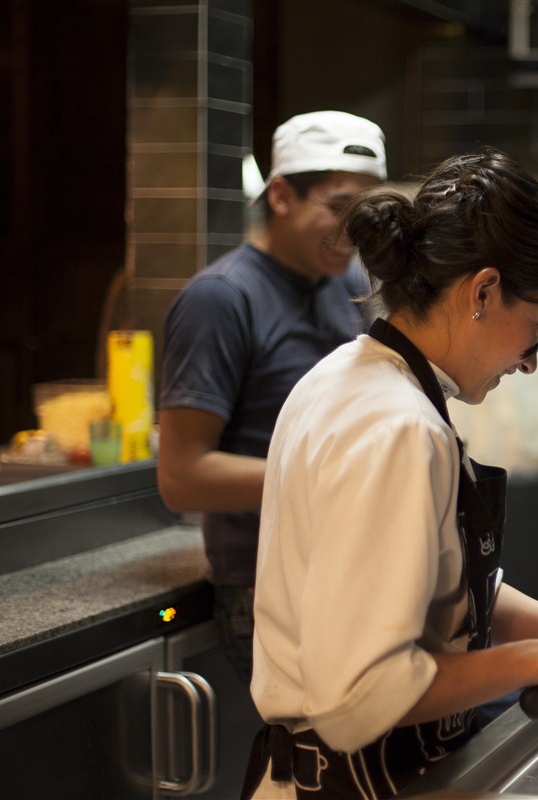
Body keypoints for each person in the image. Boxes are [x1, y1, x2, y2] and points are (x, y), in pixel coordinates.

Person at [242, 148, 538, 799]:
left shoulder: (356, 378)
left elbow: (468, 595)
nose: (530, 363)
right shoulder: (397, 428)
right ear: (484, 291)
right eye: (537, 328)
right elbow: (355, 697)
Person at [157, 111, 388, 682]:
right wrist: (330, 478)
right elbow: (181, 476)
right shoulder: (222, 298)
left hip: (353, 562)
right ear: (281, 195)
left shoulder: (349, 285)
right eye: (337, 208)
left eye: (365, 212)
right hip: (271, 583)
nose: (354, 232)